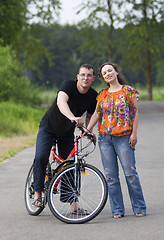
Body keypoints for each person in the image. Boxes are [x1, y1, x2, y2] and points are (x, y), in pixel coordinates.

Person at [33, 63, 97, 214]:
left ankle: (73, 205)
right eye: (82, 75)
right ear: (77, 77)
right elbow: (61, 102)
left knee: (70, 164)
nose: (85, 78)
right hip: (48, 127)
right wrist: (73, 117)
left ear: (93, 78)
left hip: (66, 133)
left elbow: (90, 115)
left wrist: (89, 131)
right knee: (41, 156)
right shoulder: (68, 85)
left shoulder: (93, 95)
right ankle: (38, 194)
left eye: (89, 75)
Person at [86, 62, 146, 218]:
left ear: (116, 72)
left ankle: (139, 207)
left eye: (110, 71)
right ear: (103, 77)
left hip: (124, 137)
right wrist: (89, 128)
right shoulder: (102, 94)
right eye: (104, 73)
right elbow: (97, 114)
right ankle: (117, 210)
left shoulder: (129, 91)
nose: (108, 74)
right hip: (105, 140)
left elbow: (135, 113)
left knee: (130, 174)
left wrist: (134, 133)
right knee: (111, 177)